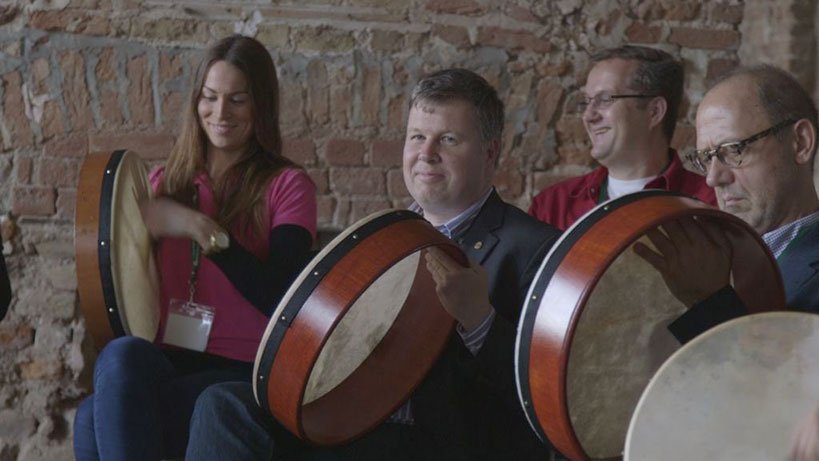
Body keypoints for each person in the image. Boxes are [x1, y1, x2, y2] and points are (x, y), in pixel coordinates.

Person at [185, 68, 562, 461]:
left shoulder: (536, 249)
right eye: (417, 137)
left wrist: (480, 321)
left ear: (490, 153)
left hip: (439, 442)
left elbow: (549, 399)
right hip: (347, 424)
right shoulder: (382, 239)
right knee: (224, 403)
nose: (426, 153)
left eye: (448, 139)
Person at [72, 35, 317, 461]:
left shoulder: (288, 186)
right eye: (210, 97)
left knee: (96, 416)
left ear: (260, 105)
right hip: (170, 360)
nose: (221, 113)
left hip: (245, 372)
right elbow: (134, 295)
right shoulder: (164, 183)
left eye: (237, 100)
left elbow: (282, 294)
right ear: (195, 102)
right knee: (119, 357)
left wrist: (201, 229)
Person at [627, 65, 819, 460]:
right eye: (705, 158)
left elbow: (782, 415)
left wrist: (710, 302)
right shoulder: (719, 256)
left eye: (734, 150)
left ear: (800, 143)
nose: (714, 177)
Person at [529, 45, 715, 230]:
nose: (588, 116)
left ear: (654, 111)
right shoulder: (550, 207)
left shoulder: (711, 206)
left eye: (605, 99)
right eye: (586, 102)